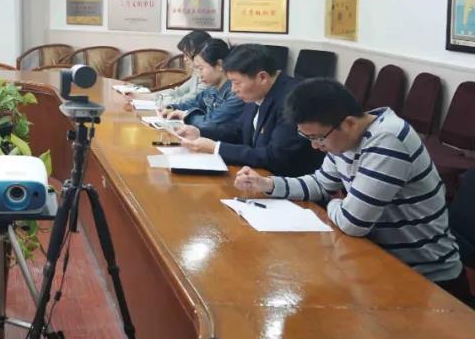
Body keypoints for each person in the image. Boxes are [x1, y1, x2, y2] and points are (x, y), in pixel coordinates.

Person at [235, 78, 472, 303]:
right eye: (307, 137)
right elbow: (321, 184)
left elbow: (353, 223)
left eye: (318, 138)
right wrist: (268, 184)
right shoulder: (343, 139)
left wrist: (334, 203)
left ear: (348, 123)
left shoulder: (387, 140)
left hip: (428, 280)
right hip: (380, 264)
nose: (315, 146)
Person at [175, 43, 322, 176]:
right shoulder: (257, 92)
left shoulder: (293, 99)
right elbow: (238, 131)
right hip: (255, 176)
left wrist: (216, 148)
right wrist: (200, 132)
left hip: (285, 183)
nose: (233, 90)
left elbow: (274, 156)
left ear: (262, 78)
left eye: (236, 82)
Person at [160, 39, 245, 136]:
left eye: (201, 69)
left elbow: (211, 123)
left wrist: (186, 116)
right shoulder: (212, 88)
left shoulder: (236, 93)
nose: (199, 75)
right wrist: (171, 108)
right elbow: (193, 103)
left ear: (219, 65)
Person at [143, 30, 211, 105]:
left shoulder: (208, 79)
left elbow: (181, 102)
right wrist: (142, 96)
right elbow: (177, 92)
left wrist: (161, 99)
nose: (185, 59)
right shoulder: (197, 74)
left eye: (187, 54)